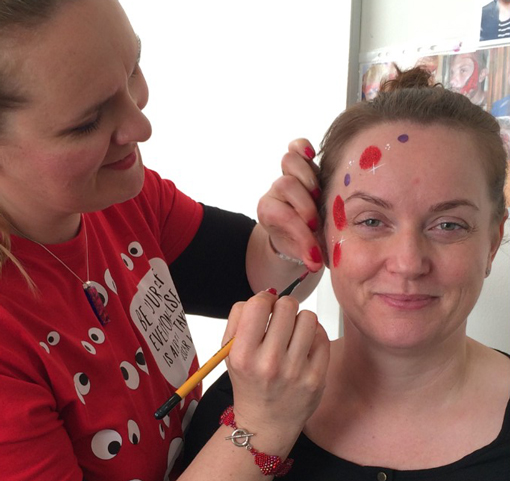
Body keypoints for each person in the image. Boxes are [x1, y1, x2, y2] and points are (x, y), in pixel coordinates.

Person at [0, 1, 331, 480]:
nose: (141, 127)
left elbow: (249, 278)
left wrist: (284, 243)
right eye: (87, 122)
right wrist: (260, 427)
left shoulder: (116, 197)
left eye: (134, 67)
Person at [183, 67, 510, 480]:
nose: (408, 262)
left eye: (448, 225)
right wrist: (258, 425)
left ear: (492, 243)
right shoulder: (245, 402)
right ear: (319, 234)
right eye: (371, 221)